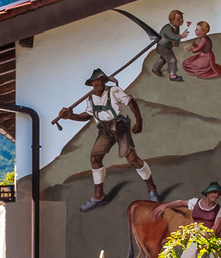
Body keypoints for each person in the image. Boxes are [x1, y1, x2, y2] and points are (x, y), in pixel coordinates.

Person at [55, 67, 160, 213]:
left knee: (133, 159)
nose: (99, 82)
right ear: (91, 83)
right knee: (95, 159)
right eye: (95, 80)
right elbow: (87, 116)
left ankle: (152, 189)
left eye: (101, 79)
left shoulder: (114, 91)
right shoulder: (90, 98)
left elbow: (131, 102)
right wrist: (70, 116)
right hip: (104, 130)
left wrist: (139, 121)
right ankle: (99, 196)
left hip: (119, 126)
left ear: (105, 81)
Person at [152, 182, 221, 237]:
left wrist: (204, 238)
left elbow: (215, 229)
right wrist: (166, 206)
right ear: (207, 193)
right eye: (214, 192)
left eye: (218, 193)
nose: (216, 195)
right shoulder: (196, 202)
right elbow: (180, 202)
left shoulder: (219, 210)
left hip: (208, 237)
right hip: (194, 235)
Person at [150, 10, 186, 82]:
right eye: (178, 19)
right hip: (162, 47)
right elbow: (171, 36)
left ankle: (155, 69)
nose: (181, 20)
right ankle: (173, 76)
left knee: (164, 59)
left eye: (182, 18)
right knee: (172, 60)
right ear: (171, 20)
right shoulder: (167, 28)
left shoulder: (177, 27)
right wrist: (180, 36)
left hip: (167, 46)